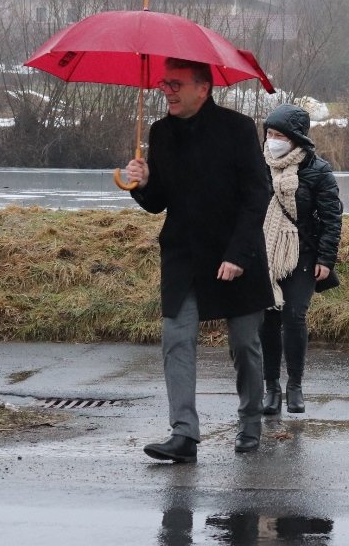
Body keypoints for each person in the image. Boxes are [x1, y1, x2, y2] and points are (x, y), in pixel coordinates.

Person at [125, 57, 273, 461]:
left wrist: (239, 255)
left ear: (203, 88)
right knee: (176, 338)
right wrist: (142, 183)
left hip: (234, 253)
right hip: (183, 255)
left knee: (244, 344)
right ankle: (184, 434)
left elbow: (257, 195)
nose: (166, 91)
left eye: (175, 84)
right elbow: (158, 202)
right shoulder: (160, 132)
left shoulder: (238, 129)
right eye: (164, 84)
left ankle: (250, 421)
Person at [258, 104, 343, 416]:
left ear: (296, 138)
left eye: (280, 135)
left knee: (294, 316)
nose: (273, 140)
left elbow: (332, 217)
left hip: (303, 254)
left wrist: (326, 258)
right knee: (268, 318)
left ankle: (295, 385)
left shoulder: (317, 170)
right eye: (269, 133)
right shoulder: (258, 166)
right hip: (265, 254)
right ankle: (271, 387)